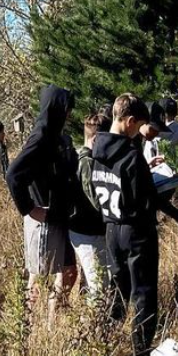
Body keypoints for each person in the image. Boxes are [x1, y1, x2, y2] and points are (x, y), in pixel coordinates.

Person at [90, 94, 178, 356]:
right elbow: (149, 197)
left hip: (112, 231)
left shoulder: (96, 150)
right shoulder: (130, 156)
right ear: (129, 122)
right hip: (137, 233)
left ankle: (101, 346)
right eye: (139, 124)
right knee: (144, 298)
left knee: (116, 293)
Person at [5, 85, 79, 323]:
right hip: (44, 219)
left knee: (68, 271)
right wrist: (30, 209)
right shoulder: (41, 137)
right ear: (56, 108)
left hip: (59, 216)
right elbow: (13, 175)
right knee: (39, 277)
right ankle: (24, 325)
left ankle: (51, 324)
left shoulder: (59, 137)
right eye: (67, 109)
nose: (70, 114)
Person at [67, 111, 110, 298]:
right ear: (96, 140)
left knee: (92, 281)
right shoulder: (87, 162)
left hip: (89, 230)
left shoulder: (87, 158)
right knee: (98, 286)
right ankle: (95, 325)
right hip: (87, 232)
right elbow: (95, 201)